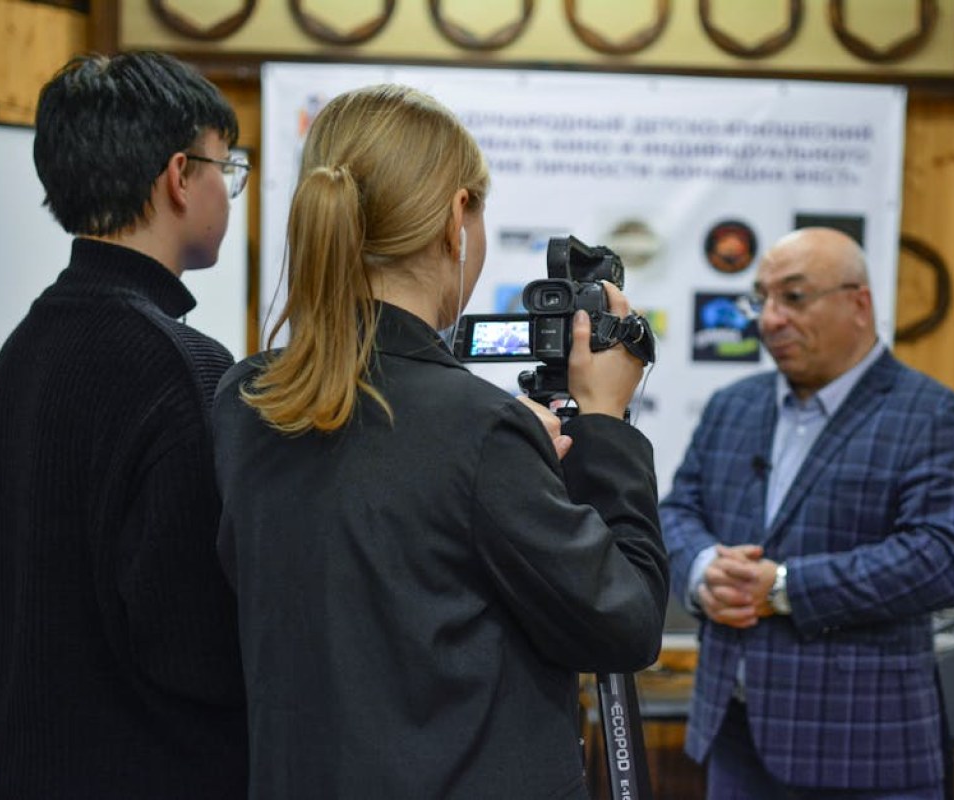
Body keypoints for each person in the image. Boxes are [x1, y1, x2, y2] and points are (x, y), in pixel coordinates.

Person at [211, 84, 668, 799]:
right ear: (457, 219)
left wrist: (513, 470)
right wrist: (605, 424)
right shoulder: (479, 429)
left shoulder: (244, 399)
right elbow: (626, 623)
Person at [0, 52, 249, 799]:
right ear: (179, 176)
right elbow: (195, 643)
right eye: (230, 167)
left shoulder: (23, 348)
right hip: (153, 772)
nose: (232, 189)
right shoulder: (182, 365)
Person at [660, 227, 954, 799]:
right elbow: (676, 512)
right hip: (734, 735)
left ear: (858, 303)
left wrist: (783, 587)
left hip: (863, 749)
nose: (770, 319)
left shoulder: (933, 416)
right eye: (762, 299)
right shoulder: (732, 407)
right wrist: (703, 568)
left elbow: (942, 559)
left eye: (794, 297)